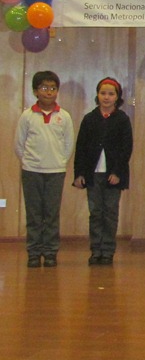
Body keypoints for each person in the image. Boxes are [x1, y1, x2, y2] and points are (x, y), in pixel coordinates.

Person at [14, 71, 74, 268]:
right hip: (31, 171)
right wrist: (31, 162)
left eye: (53, 88)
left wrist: (58, 162)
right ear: (35, 91)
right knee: (33, 213)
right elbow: (19, 144)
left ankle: (50, 252)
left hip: (55, 171)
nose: (49, 92)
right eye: (44, 88)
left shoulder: (63, 116)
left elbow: (68, 145)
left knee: (51, 213)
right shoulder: (27, 116)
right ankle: (33, 252)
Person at [73, 77, 133, 266]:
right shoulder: (89, 119)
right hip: (93, 174)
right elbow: (81, 147)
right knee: (96, 212)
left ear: (117, 97)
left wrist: (117, 172)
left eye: (111, 94)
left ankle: (108, 250)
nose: (106, 97)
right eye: (103, 93)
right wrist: (79, 173)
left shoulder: (122, 119)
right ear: (97, 95)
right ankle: (95, 250)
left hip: (113, 175)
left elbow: (126, 149)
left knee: (110, 213)